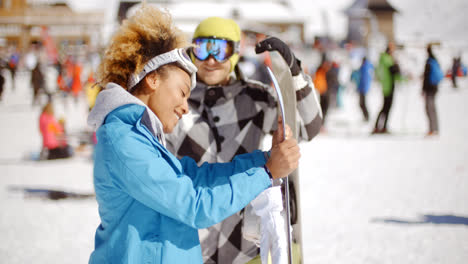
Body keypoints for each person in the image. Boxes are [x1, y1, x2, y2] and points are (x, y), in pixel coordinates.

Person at [86, 6, 300, 263]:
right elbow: (194, 206)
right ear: (153, 79)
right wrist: (265, 174)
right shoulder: (123, 139)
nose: (186, 106)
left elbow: (197, 177)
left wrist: (264, 161)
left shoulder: (142, 138)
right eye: (182, 92)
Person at [165, 16, 322, 263]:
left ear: (236, 52)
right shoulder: (177, 101)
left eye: (220, 49)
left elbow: (309, 127)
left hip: (244, 245)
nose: (211, 59)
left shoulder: (256, 99)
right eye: (202, 48)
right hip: (189, 241)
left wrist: (295, 74)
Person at [373, 42, 400, 134]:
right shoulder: (387, 59)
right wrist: (396, 66)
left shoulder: (384, 58)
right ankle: (379, 127)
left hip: (387, 86)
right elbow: (393, 71)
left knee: (386, 108)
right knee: (386, 107)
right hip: (388, 86)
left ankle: (381, 126)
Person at [422, 44, 441, 136]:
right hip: (435, 87)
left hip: (429, 89)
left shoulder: (429, 62)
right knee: (433, 108)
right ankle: (435, 128)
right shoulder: (435, 60)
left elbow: (426, 77)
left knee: (429, 108)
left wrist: (423, 89)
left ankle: (431, 129)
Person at [357, 56, 373, 122]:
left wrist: (362, 88)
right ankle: (366, 116)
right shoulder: (367, 67)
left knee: (362, 103)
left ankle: (367, 117)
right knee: (362, 103)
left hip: (363, 88)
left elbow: (364, 79)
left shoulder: (364, 68)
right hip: (363, 88)